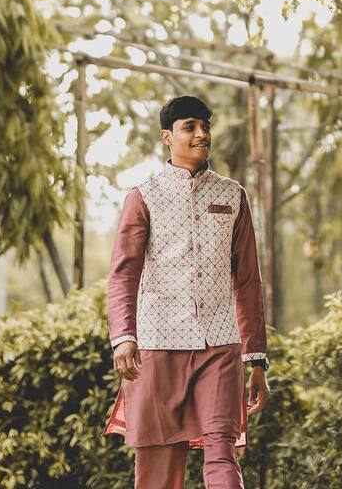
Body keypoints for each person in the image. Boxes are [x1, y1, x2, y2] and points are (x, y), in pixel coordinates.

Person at [106, 95, 270, 489]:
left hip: (220, 346)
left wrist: (258, 359)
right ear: (168, 136)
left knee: (223, 453)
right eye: (189, 127)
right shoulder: (143, 197)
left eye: (205, 126)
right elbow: (123, 273)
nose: (201, 134)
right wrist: (123, 338)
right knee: (159, 468)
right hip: (158, 345)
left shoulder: (233, 196)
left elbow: (248, 281)